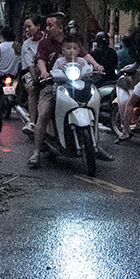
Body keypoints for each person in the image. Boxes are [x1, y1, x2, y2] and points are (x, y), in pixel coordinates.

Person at [32, 12, 106, 167]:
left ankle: (95, 144)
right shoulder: (44, 44)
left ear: (60, 28)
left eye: (50, 25)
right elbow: (41, 61)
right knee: (44, 112)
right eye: (46, 25)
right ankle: (36, 152)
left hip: (75, 83)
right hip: (52, 84)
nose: (47, 28)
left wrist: (97, 65)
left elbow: (87, 57)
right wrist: (45, 72)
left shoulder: (72, 42)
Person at [20, 15, 43, 136]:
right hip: (31, 74)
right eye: (25, 28)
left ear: (38, 26)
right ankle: (32, 122)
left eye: (29, 27)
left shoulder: (47, 40)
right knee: (33, 89)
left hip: (49, 73)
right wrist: (35, 78)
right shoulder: (26, 45)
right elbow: (30, 65)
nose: (27, 30)